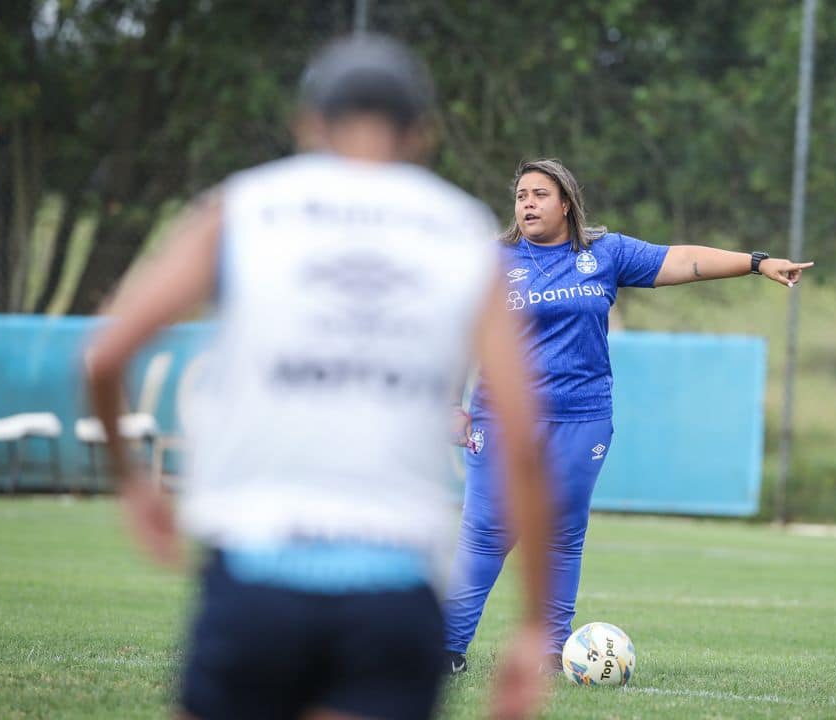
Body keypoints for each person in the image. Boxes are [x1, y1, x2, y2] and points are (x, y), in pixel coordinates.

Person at [87, 35, 552, 720]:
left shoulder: (243, 208)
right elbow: (520, 437)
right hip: (395, 592)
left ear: (308, 123)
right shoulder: (462, 232)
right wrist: (534, 624)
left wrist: (131, 480)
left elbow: (102, 357)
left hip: (256, 577)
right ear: (421, 134)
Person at [444, 158, 813, 673]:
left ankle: (554, 651)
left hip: (583, 416)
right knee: (488, 530)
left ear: (566, 203)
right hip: (502, 418)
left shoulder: (606, 252)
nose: (527, 203)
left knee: (561, 532)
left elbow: (683, 260)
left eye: (539, 194)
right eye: (521, 195)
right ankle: (445, 649)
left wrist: (757, 262)